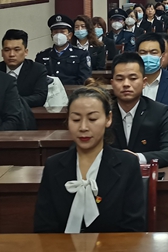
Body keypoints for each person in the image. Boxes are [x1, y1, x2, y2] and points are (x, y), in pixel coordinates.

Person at [33, 84, 145, 233]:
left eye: (92, 119)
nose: (83, 127)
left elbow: (134, 228)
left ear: (108, 119)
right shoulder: (53, 165)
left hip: (114, 247)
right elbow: (44, 228)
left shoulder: (127, 164)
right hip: (63, 247)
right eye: (76, 119)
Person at [109, 53, 168, 166]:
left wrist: (138, 158)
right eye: (120, 79)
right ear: (112, 83)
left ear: (144, 82)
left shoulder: (159, 112)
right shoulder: (103, 113)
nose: (126, 84)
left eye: (133, 78)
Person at [35, 14, 93, 86]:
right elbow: (38, 78)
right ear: (51, 35)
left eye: (62, 32)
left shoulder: (81, 54)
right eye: (55, 32)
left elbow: (84, 79)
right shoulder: (42, 56)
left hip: (73, 91)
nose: (58, 35)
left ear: (70, 35)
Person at [0, 29, 50, 107]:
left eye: (17, 50)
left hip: (26, 112)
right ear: (2, 53)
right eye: (7, 50)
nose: (11, 54)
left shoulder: (37, 69)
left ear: (26, 52)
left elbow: (40, 97)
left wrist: (13, 102)